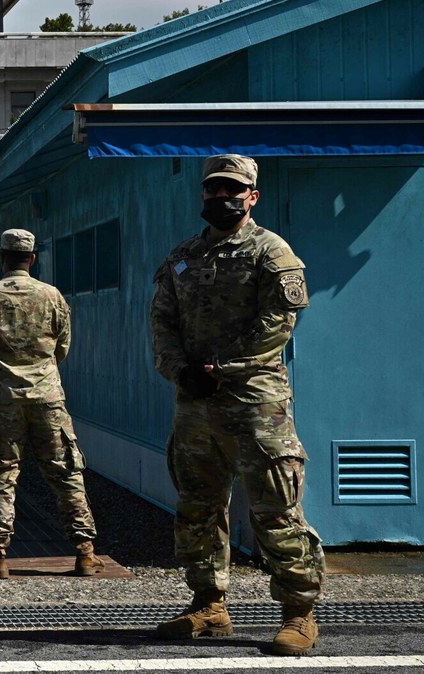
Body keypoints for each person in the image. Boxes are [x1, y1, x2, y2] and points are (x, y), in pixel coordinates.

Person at [150, 154, 325, 656]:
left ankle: (299, 613)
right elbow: (162, 319)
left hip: (254, 402)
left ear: (252, 196)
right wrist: (179, 369)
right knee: (197, 507)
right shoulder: (184, 255)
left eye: (233, 190)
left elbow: (278, 324)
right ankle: (208, 605)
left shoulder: (272, 252)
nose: (221, 197)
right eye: (213, 190)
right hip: (195, 405)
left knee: (275, 508)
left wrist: (220, 369)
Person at [0, 228, 105, 580]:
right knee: (66, 474)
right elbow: (63, 347)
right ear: (33, 258)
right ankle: (85, 553)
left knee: (1, 477)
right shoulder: (52, 296)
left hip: (4, 400)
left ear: (2, 257)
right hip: (48, 397)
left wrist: (0, 374)